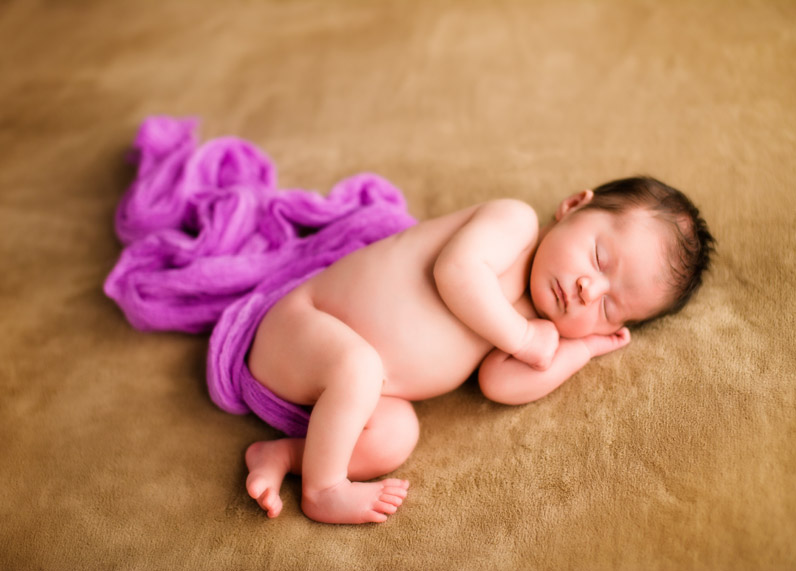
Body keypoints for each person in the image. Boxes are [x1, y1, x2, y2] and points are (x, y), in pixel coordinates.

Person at [243, 176, 714, 524]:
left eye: (610, 307)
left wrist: (580, 349)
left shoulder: (536, 322)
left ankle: (286, 456)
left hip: (356, 391)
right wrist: (523, 339)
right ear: (572, 206)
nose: (588, 290)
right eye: (598, 258)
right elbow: (456, 271)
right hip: (302, 329)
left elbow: (500, 383)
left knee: (396, 436)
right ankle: (323, 489)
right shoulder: (515, 223)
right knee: (358, 367)